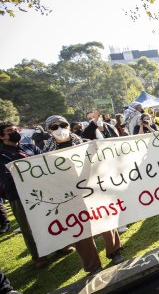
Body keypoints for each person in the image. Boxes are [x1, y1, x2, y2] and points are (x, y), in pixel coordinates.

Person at [44, 115, 124, 273]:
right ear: (49, 131)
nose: (60, 129)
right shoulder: (45, 154)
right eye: (55, 127)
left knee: (104, 219)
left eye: (63, 124)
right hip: (68, 195)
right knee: (79, 228)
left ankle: (115, 251)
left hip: (91, 189)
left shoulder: (84, 144)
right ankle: (92, 265)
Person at [0, 122, 49, 267]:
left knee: (48, 219)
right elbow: (8, 173)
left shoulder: (29, 146)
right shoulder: (1, 154)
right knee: (28, 226)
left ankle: (58, 246)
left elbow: (43, 160)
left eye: (16, 129)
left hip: (40, 190)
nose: (15, 132)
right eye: (10, 131)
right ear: (1, 136)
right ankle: (39, 256)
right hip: (18, 195)